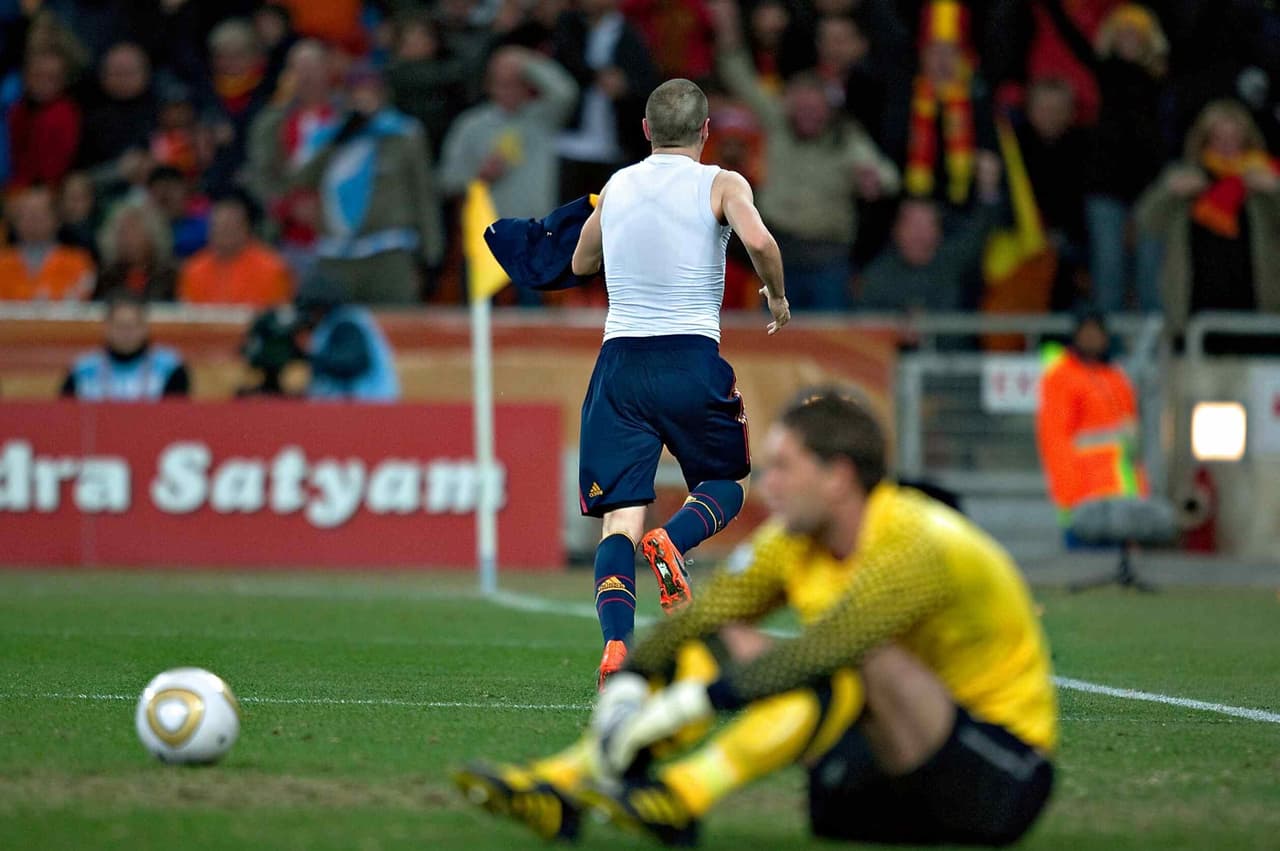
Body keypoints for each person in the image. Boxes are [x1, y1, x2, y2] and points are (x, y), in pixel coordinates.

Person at [455, 388, 1057, 846]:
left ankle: (682, 795)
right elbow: (701, 618)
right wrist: (636, 680)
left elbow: (822, 653)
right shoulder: (792, 539)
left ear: (838, 476)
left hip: (1000, 774)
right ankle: (563, 788)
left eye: (782, 468)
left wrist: (689, 705)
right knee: (718, 637)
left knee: (847, 659)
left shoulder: (913, 541)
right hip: (882, 771)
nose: (766, 486)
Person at [568, 78, 789, 688]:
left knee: (618, 521)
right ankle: (676, 537)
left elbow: (582, 262)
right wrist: (775, 293)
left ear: (645, 130)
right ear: (705, 132)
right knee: (726, 482)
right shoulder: (721, 181)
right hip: (690, 358)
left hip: (619, 366)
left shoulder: (615, 187)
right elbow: (761, 241)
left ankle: (618, 646)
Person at [1136, 99, 1280, 339]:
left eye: (1234, 138)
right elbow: (1145, 221)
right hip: (1193, 321)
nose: (1226, 146)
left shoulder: (1262, 181)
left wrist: (1275, 190)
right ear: (1203, 140)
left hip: (1257, 319)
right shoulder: (1185, 177)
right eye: (1218, 138)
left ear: (1247, 140)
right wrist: (1168, 191)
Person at [1036, 307, 1148, 544]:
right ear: (1075, 336)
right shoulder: (1062, 377)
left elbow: (1131, 445)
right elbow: (1054, 439)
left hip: (1122, 497)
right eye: (1086, 332)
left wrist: (1140, 493)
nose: (1092, 338)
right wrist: (1070, 496)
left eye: (1096, 332)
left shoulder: (1116, 377)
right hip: (1085, 500)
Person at [61, 289, 189, 400]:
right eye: (120, 326)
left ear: (145, 327)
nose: (127, 333)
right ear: (107, 327)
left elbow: (176, 420)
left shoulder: (171, 368)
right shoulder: (82, 370)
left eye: (133, 326)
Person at [293, 274, 400, 402]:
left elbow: (350, 363)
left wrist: (312, 352)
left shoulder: (348, 324)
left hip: (371, 402)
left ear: (320, 307)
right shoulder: (331, 325)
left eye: (311, 311)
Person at [177, 192, 292, 307]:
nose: (223, 233)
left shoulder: (272, 269)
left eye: (229, 227)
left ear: (245, 228)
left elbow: (278, 317)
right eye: (217, 227)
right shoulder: (193, 270)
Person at [0, 185, 95, 301]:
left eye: (39, 214)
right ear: (15, 220)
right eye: (26, 214)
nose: (32, 220)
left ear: (57, 218)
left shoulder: (79, 262)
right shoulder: (2, 261)